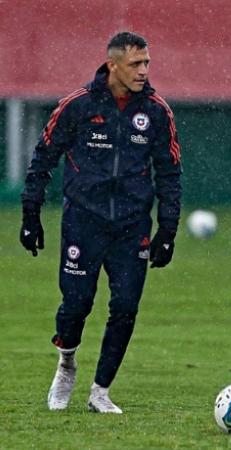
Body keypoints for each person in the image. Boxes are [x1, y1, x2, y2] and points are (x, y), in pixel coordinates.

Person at [20, 31, 182, 414]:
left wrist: (168, 230)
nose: (143, 71)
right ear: (113, 65)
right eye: (135, 64)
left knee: (125, 306)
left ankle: (100, 392)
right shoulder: (77, 106)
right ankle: (67, 363)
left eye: (147, 63)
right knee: (76, 303)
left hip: (132, 227)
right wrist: (31, 215)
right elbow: (43, 158)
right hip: (83, 222)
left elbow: (170, 173)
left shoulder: (157, 111)